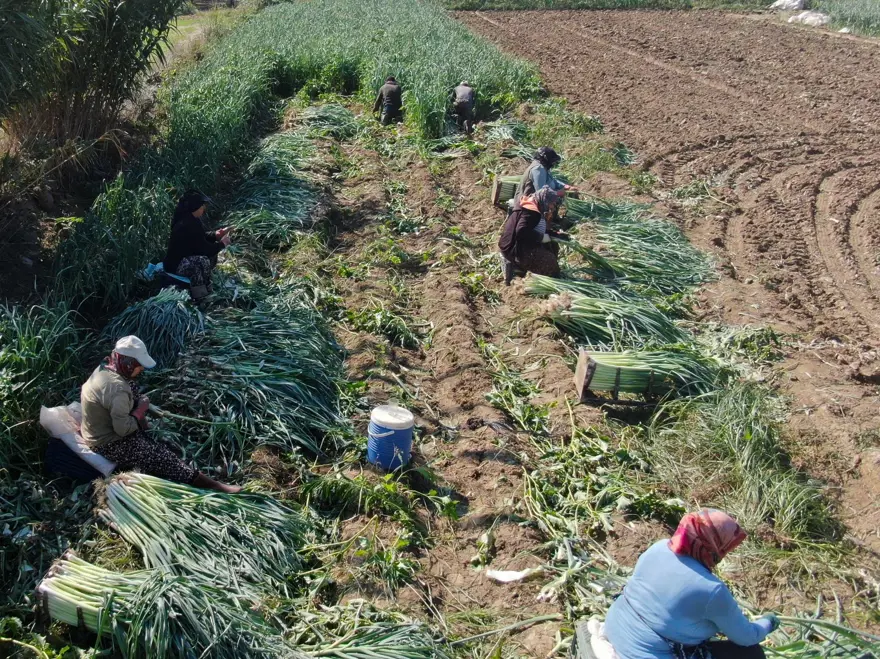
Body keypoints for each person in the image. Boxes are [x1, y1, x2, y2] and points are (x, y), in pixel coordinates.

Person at [603, 509, 780, 659]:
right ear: (714, 545)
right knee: (751, 653)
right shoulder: (712, 590)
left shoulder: (659, 547)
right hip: (643, 652)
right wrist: (768, 622)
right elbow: (746, 637)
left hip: (615, 624)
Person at [81, 335, 241, 494]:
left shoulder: (106, 368)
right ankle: (214, 486)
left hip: (99, 425)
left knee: (134, 389)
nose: (142, 369)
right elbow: (122, 430)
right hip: (107, 441)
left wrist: (141, 409)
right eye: (139, 365)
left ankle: (147, 433)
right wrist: (141, 410)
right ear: (128, 364)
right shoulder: (117, 389)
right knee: (162, 456)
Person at [163, 190, 230, 304]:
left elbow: (201, 237)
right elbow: (204, 249)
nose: (204, 208)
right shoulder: (186, 224)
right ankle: (200, 297)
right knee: (201, 261)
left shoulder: (192, 219)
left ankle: (207, 288)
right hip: (175, 265)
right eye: (202, 206)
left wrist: (216, 234)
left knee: (206, 258)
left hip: (185, 257)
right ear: (195, 207)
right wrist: (222, 244)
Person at [498, 186, 567, 284]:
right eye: (551, 204)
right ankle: (517, 266)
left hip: (521, 244)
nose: (552, 207)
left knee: (553, 246)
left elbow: (535, 229)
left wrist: (556, 235)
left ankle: (527, 269)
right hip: (513, 248)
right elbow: (521, 231)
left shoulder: (537, 207)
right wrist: (540, 237)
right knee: (549, 261)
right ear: (545, 200)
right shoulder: (530, 211)